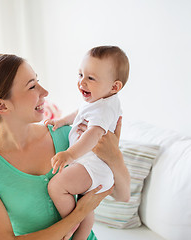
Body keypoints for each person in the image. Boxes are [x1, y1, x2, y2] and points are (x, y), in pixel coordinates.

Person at [0, 54, 130, 240]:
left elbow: (122, 196)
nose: (45, 92)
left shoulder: (67, 136)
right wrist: (79, 213)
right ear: (1, 105)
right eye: (32, 86)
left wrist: (115, 156)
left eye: (38, 81)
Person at [45, 46, 130, 240]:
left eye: (91, 78)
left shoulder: (105, 110)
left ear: (114, 87)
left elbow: (92, 135)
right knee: (86, 205)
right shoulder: (98, 100)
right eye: (80, 74)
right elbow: (79, 112)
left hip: (93, 166)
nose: (82, 82)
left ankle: (72, 223)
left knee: (56, 187)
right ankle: (80, 235)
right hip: (93, 167)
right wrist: (61, 121)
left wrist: (70, 155)